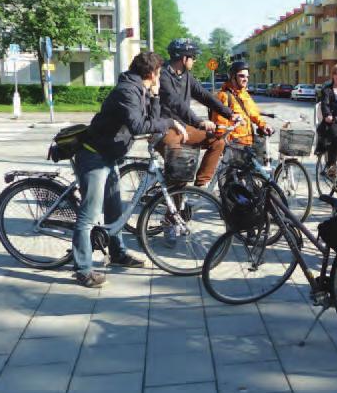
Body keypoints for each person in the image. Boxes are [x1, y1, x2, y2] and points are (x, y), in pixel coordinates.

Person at [73, 52, 186, 288]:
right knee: (89, 216)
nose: (160, 77)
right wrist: (170, 123)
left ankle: (118, 254)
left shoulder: (139, 89)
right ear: (152, 73)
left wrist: (155, 100)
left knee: (115, 210)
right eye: (159, 72)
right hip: (94, 156)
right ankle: (83, 269)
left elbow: (149, 120)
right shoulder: (127, 90)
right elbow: (137, 126)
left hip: (109, 156)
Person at [159, 38, 240, 186]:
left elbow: (204, 95)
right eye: (193, 57)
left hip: (183, 126)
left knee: (217, 141)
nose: (194, 61)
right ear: (184, 58)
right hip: (164, 128)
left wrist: (229, 113)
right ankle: (175, 207)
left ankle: (200, 186)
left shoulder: (185, 75)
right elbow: (175, 103)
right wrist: (199, 121)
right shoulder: (162, 75)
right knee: (180, 169)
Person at [212, 61, 273, 147]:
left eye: (247, 77)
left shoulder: (244, 94)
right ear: (233, 77)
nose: (245, 79)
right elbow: (220, 125)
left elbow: (254, 113)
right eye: (241, 76)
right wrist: (223, 145)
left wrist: (263, 125)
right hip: (234, 145)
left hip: (248, 142)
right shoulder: (223, 96)